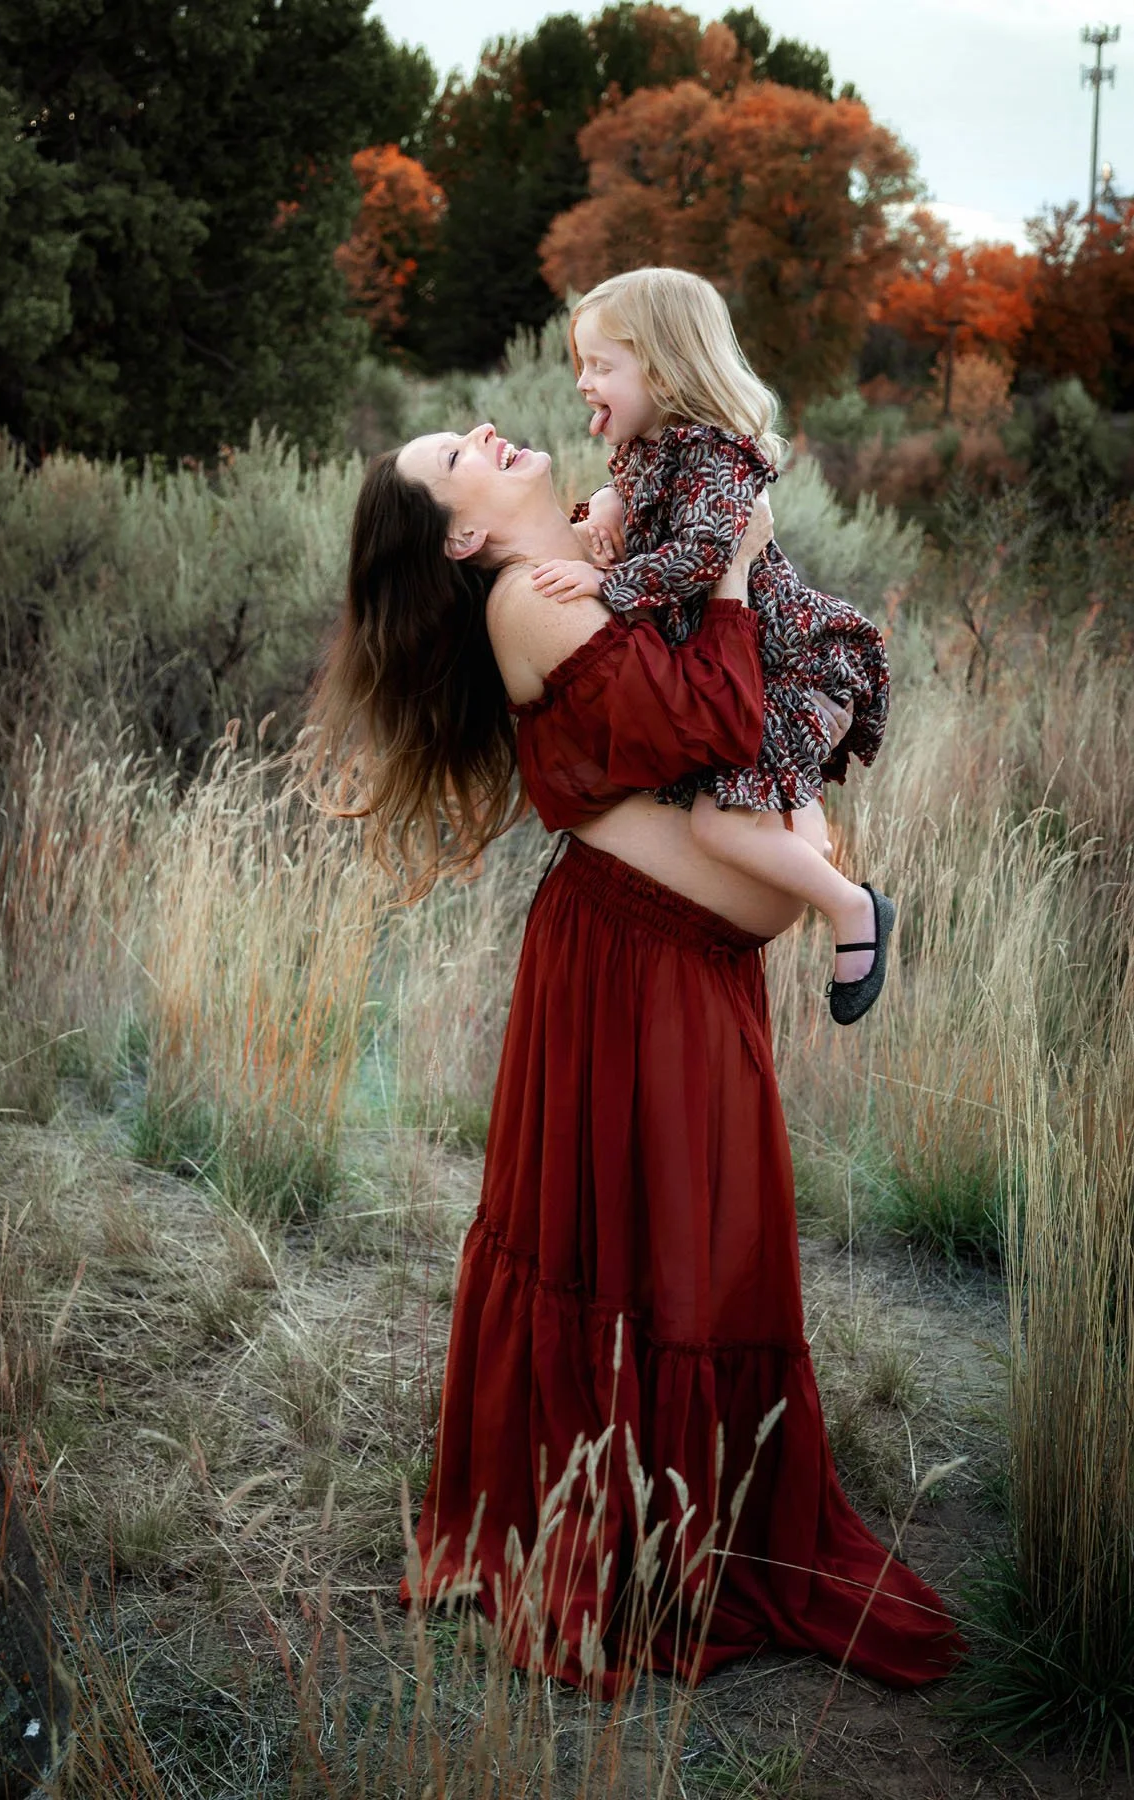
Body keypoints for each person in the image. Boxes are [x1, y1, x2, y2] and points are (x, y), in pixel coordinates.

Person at [307, 420, 964, 1695]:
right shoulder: (520, 607)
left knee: (695, 1253)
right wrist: (734, 562)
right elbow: (713, 711)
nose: (489, 432)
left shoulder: (601, 563)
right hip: (630, 972)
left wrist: (689, 547)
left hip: (687, 966)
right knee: (658, 1257)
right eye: (460, 453)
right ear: (463, 533)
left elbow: (760, 718)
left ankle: (694, 1526)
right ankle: (630, 1540)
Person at [530, 268, 894, 1027]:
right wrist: (601, 505)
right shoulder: (652, 448)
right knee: (777, 825)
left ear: (662, 370)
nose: (582, 383)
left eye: (601, 367)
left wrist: (606, 584)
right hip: (744, 665)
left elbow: (702, 556)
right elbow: (627, 499)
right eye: (581, 366)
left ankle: (855, 910)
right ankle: (810, 886)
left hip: (775, 665)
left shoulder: (712, 456)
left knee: (716, 824)